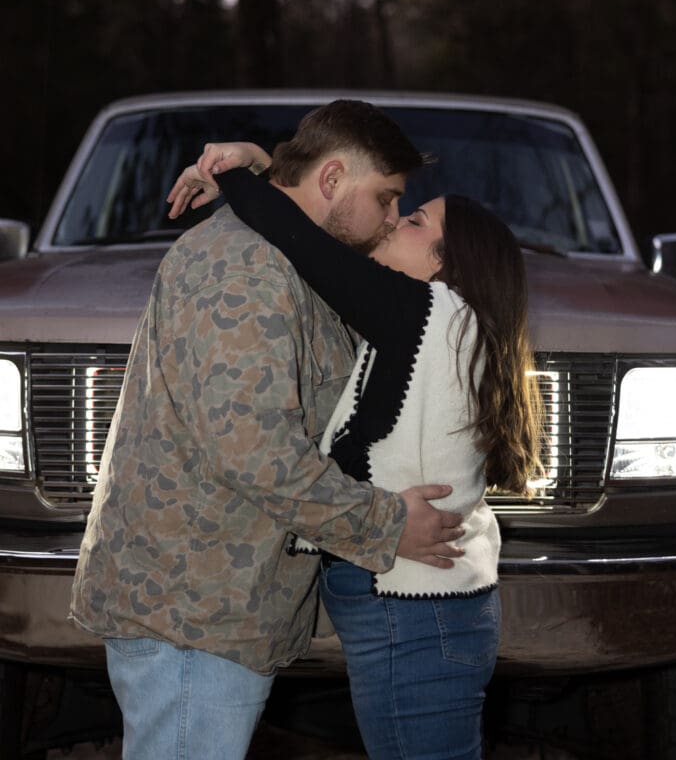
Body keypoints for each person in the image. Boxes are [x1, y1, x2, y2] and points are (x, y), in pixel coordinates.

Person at [68, 100, 467, 760]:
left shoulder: (282, 255)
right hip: (192, 611)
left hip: (214, 603)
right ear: (333, 179)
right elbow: (254, 451)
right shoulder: (247, 267)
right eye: (388, 197)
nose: (392, 217)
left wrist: (256, 162)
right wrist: (388, 525)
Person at [170, 138, 545, 760]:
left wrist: (238, 172)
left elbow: (305, 245)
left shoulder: (427, 311)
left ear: (444, 264)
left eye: (416, 219)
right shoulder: (455, 330)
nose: (397, 220)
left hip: (418, 618)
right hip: (426, 614)